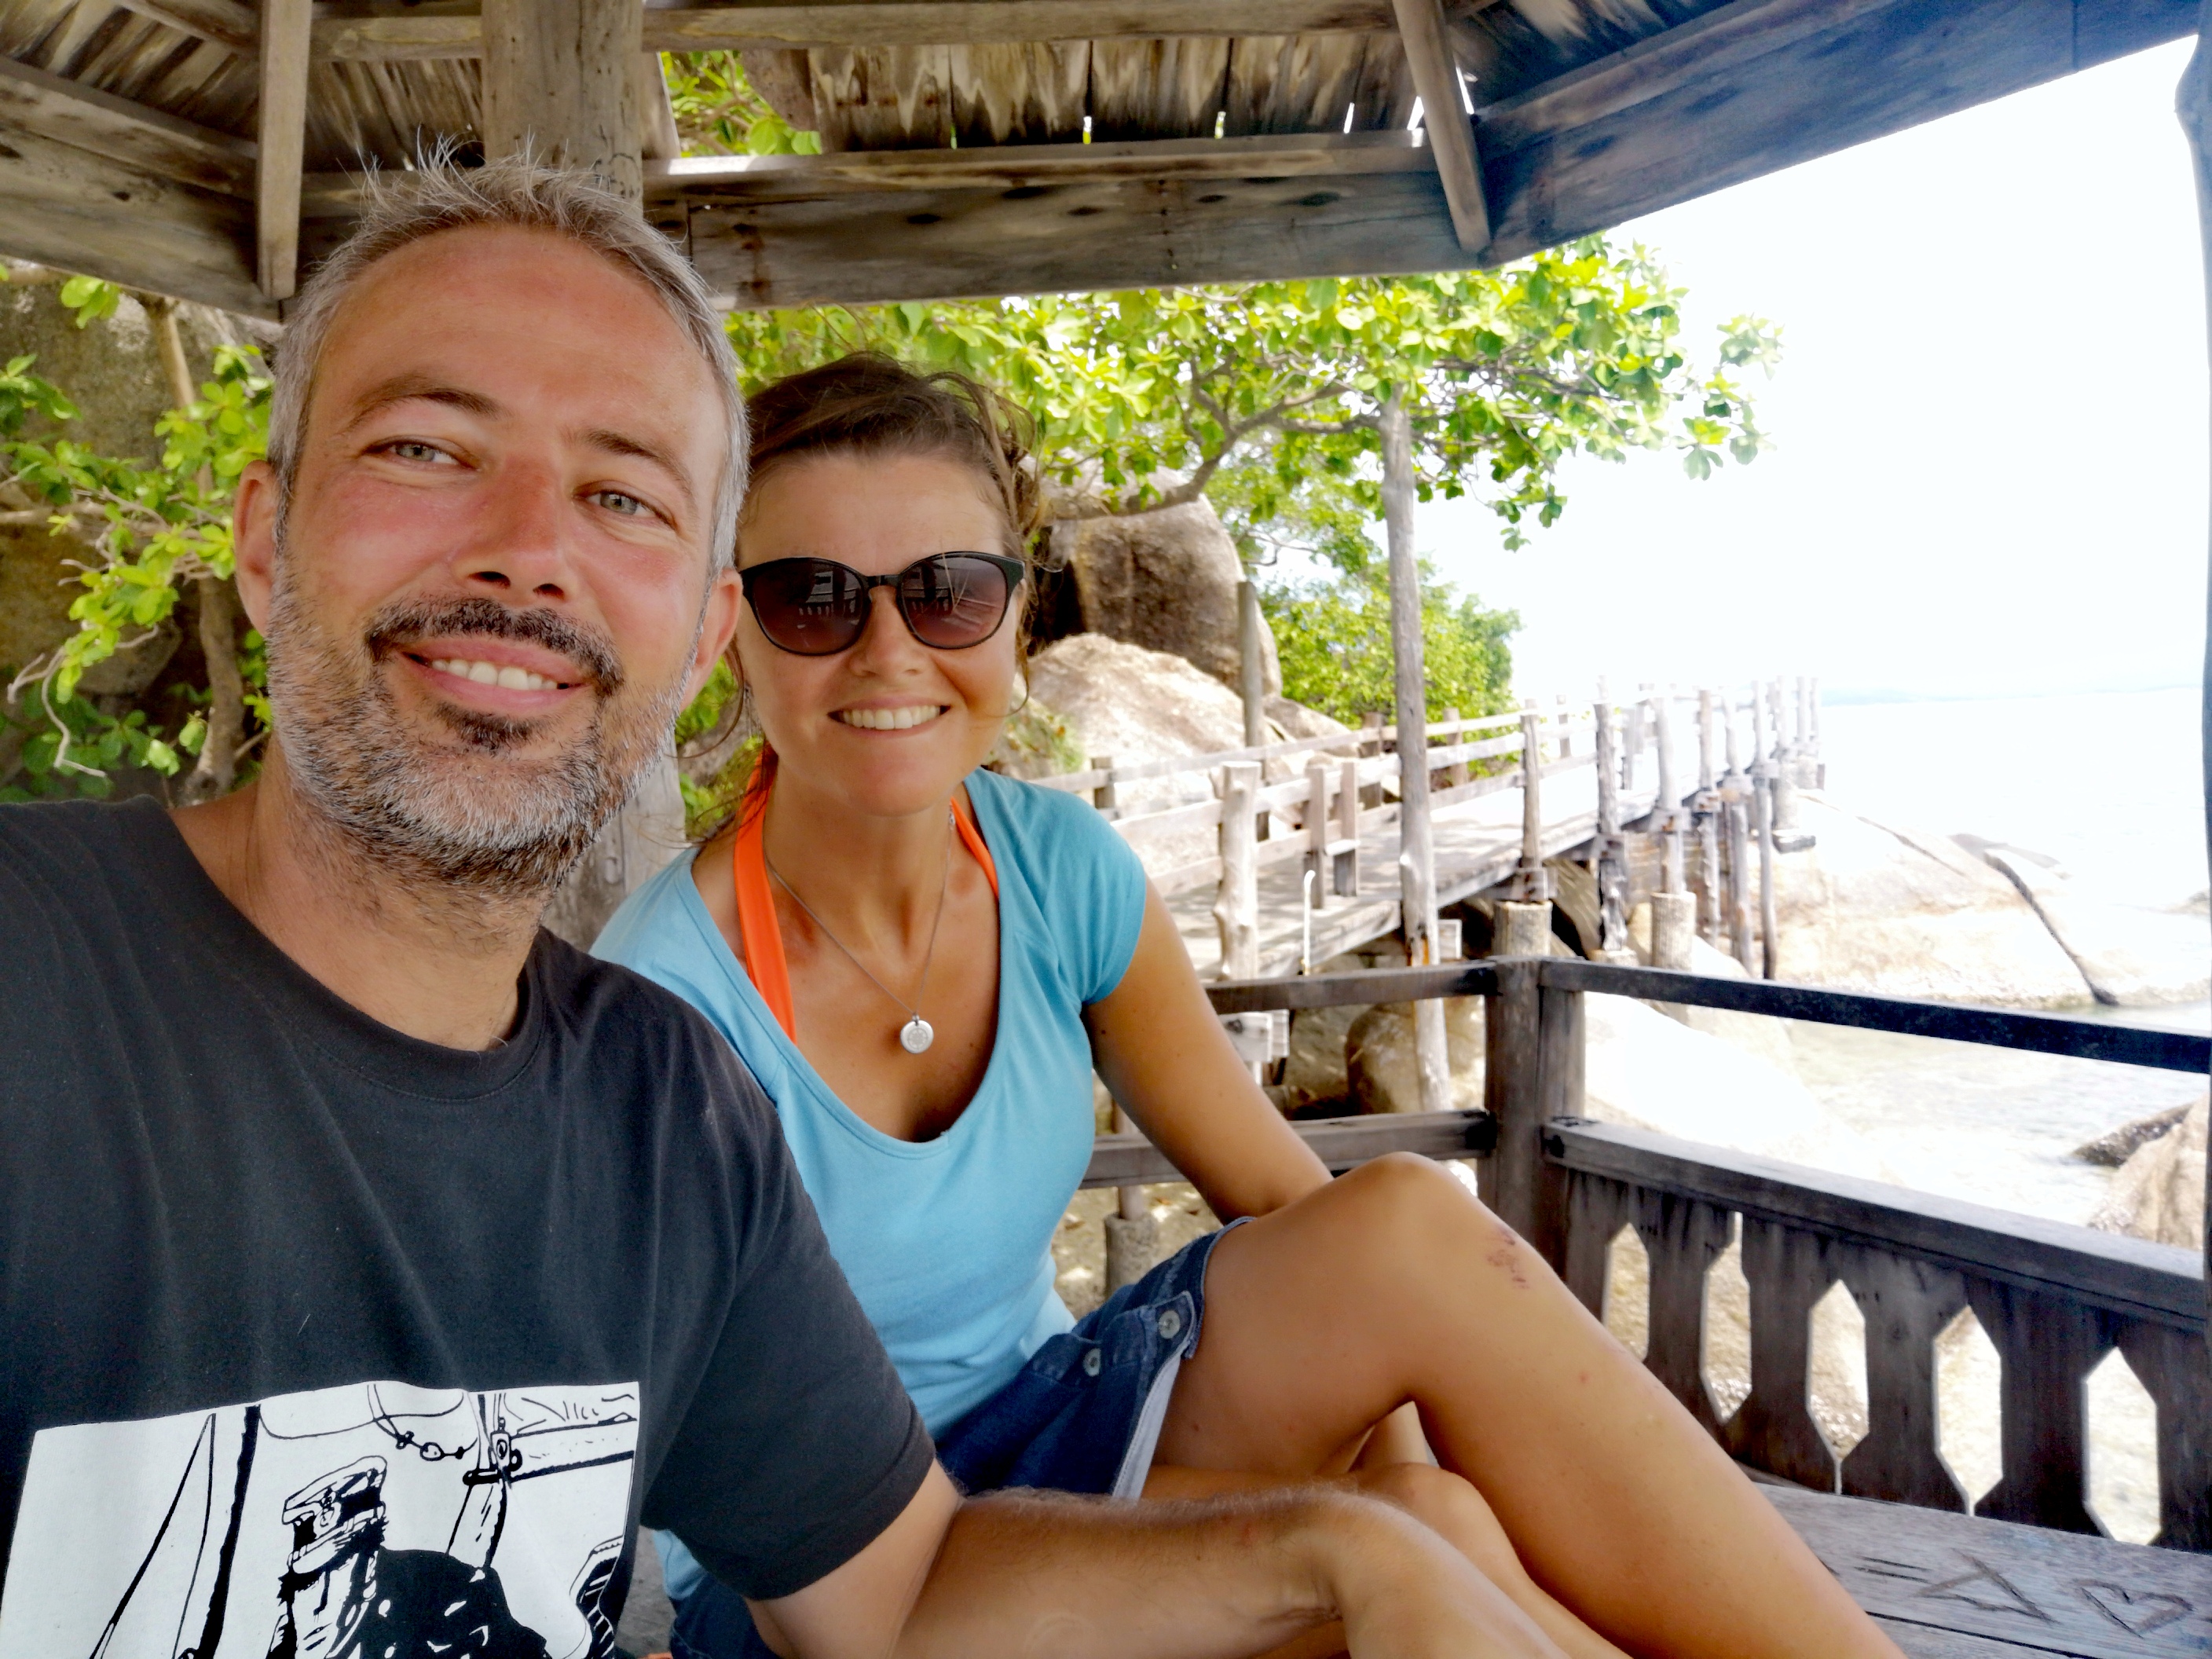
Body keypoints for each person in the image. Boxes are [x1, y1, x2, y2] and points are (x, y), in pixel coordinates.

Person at [0, 160, 1569, 1659]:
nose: (528, 551)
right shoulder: (43, 979)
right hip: (822, 1571)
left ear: (690, 640)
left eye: (621, 495)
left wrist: (1363, 1542)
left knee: (1417, 1398)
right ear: (264, 541)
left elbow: (895, 1602)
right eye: (425, 449)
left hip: (948, 1510)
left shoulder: (657, 1111)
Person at [595, 354, 1905, 1659]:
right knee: (1399, 1549)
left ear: (1014, 616)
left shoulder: (1054, 869)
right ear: (727, 628)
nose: (889, 651)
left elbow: (1289, 1205)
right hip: (825, 1575)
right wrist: (1390, 1526)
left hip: (1049, 1419)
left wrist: (1406, 1472)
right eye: (813, 598)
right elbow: (785, 1553)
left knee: (1406, 1253)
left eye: (949, 594)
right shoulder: (664, 1007)